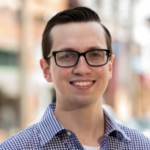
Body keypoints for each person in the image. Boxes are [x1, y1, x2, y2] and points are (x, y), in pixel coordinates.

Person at [0, 6, 150, 150]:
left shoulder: (142, 146)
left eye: (95, 54)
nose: (82, 69)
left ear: (110, 66)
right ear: (47, 70)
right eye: (67, 56)